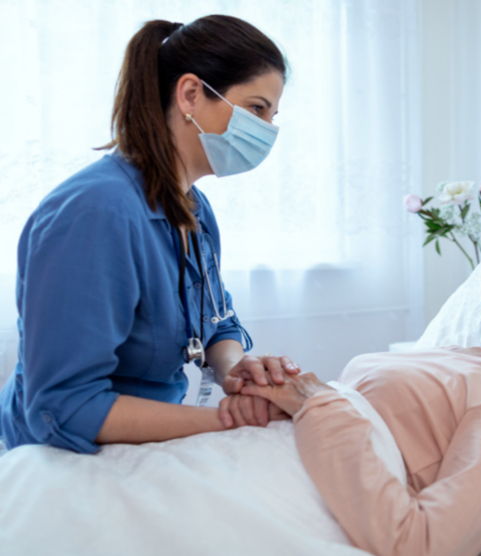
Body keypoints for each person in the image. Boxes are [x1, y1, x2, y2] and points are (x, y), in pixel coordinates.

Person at [230, 210, 481, 556]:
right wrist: (274, 398)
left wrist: (314, 403)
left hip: (288, 507)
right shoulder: (450, 354)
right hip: (258, 466)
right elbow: (350, 421)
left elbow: (423, 543)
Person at [0, 15, 299, 454]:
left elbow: (216, 321)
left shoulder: (191, 206)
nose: (267, 130)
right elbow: (63, 408)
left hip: (144, 448)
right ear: (191, 94)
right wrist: (227, 420)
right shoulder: (96, 214)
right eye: (256, 109)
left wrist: (235, 369)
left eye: (273, 115)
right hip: (62, 461)